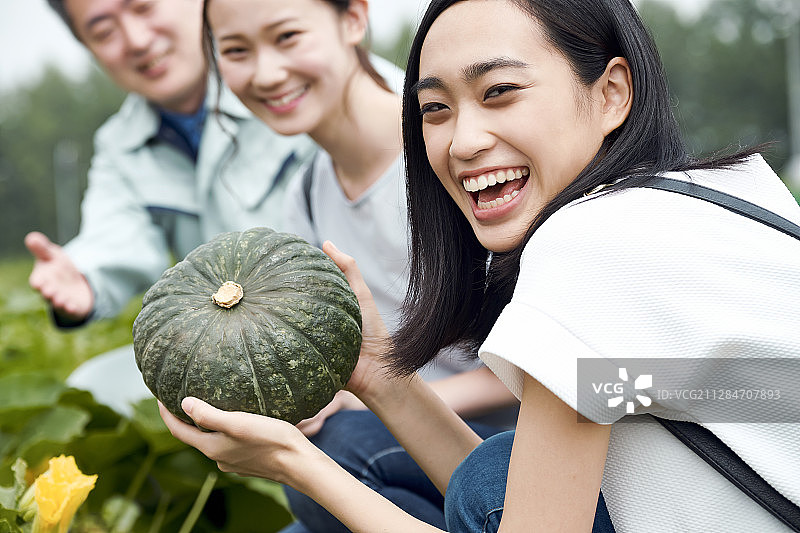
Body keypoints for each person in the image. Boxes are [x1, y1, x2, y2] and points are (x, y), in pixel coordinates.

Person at [161, 0, 800, 531]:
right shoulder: (705, 200)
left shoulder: (587, 247)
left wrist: (293, 461)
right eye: (436, 109)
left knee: (414, 468)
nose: (463, 142)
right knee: (491, 476)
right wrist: (382, 376)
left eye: (500, 92)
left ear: (611, 94)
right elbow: (518, 496)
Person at [202, 0, 519, 531]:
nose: (266, 72)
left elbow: (566, 370)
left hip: (524, 442)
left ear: (353, 19)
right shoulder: (305, 194)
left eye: (286, 37)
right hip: (400, 433)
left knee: (337, 453)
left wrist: (372, 404)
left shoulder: (462, 161)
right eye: (236, 51)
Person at [25, 0, 315, 412]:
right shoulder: (120, 145)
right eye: (104, 31)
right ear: (87, 47)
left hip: (329, 332)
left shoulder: (287, 84)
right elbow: (115, 235)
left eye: (144, 7)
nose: (137, 41)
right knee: (94, 389)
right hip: (221, 345)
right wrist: (84, 277)